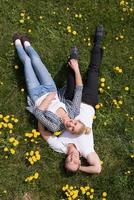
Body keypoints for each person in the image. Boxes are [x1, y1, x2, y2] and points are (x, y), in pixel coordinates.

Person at [38, 25, 104, 174]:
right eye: (75, 161)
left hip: (70, 101)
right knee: (94, 71)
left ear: (66, 159)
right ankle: (98, 42)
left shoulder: (61, 146)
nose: (73, 158)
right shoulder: (87, 150)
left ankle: (73, 58)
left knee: (71, 77)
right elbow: (97, 168)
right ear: (79, 161)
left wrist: (39, 116)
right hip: (89, 101)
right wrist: (79, 168)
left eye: (69, 161)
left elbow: (44, 133)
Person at [13, 34, 87, 134]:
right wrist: (76, 69)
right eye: (75, 124)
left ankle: (17, 43)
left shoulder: (55, 127)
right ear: (77, 120)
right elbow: (79, 89)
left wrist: (48, 98)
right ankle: (27, 44)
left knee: (27, 61)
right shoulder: (74, 111)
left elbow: (38, 113)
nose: (71, 124)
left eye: (72, 129)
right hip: (50, 88)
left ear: (70, 132)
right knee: (35, 60)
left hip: (36, 95)